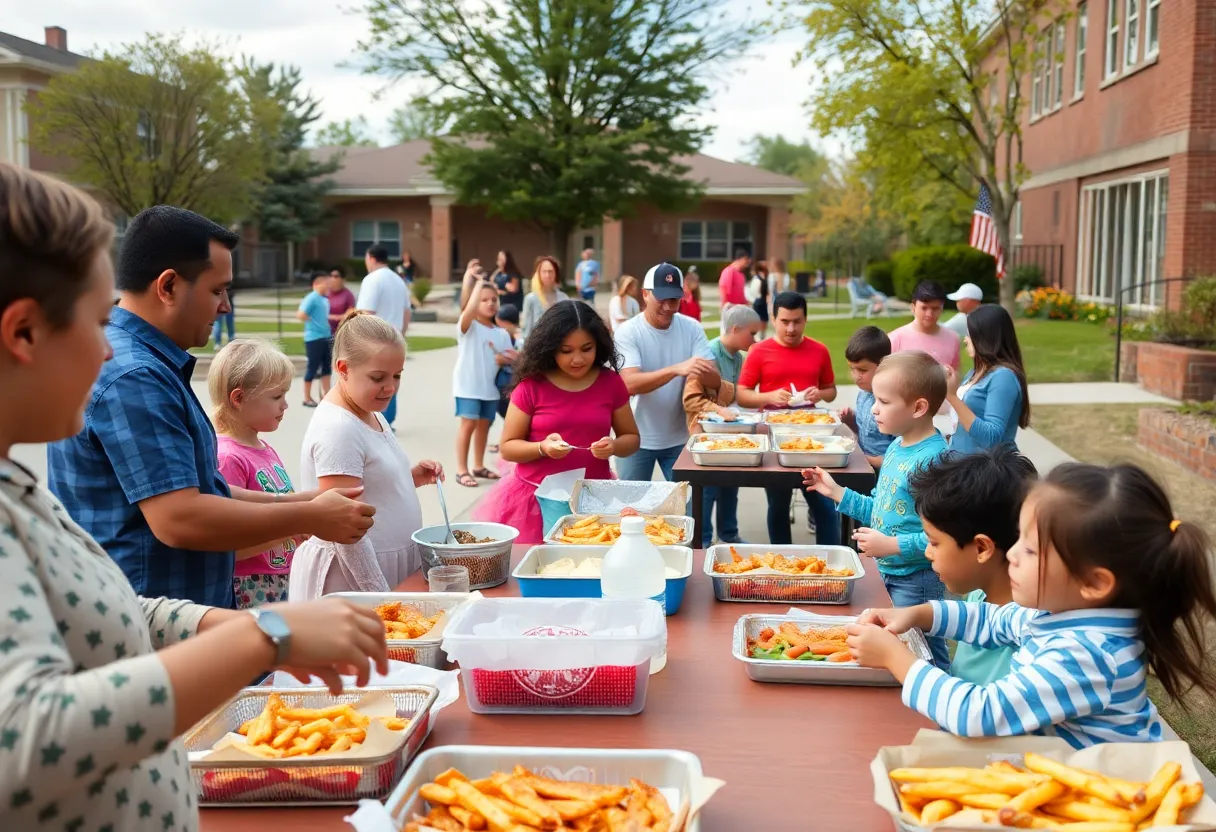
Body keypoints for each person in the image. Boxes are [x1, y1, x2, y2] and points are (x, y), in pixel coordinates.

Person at [0, 162, 390, 830]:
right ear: (24, 333)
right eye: (96, 323)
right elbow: (28, 737)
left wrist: (235, 628)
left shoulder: (20, 484)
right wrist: (267, 635)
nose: (105, 351)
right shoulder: (129, 375)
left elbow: (112, 607)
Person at [47, 205, 375, 610]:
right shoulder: (135, 376)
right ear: (167, 287)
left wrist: (301, 503)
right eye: (217, 290)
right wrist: (308, 519)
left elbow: (204, 489)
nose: (226, 307)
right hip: (153, 630)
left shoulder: (139, 362)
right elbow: (180, 517)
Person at [848, 463, 1216, 748]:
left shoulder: (1087, 652)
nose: (1013, 556)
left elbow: (980, 713)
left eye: (1030, 549)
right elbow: (988, 619)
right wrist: (918, 614)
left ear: (1093, 583)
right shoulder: (1060, 615)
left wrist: (896, 658)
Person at [802, 351, 951, 669]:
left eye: (883, 401)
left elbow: (947, 539)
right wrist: (836, 492)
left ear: (918, 407)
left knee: (925, 654)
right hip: (889, 573)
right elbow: (882, 510)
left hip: (917, 580)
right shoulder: (897, 446)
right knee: (898, 649)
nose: (873, 409)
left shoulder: (934, 461)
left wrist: (891, 545)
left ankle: (942, 710)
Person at [290, 311, 445, 599]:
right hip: (352, 580)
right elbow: (345, 529)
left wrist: (409, 477)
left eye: (397, 375)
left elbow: (368, 484)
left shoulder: (368, 409)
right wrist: (382, 597)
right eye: (378, 377)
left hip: (382, 568)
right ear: (343, 369)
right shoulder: (338, 428)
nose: (391, 387)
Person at [474, 302, 640, 543]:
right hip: (535, 502)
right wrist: (542, 447)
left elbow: (632, 439)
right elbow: (508, 447)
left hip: (593, 500)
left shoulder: (611, 383)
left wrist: (613, 446)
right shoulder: (531, 386)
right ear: (550, 348)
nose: (577, 359)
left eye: (586, 349)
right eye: (566, 350)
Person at [909, 446, 1038, 685]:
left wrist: (899, 661)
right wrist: (911, 615)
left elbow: (983, 711)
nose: (928, 552)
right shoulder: (977, 596)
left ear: (981, 548)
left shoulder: (1030, 634)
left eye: (934, 542)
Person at [737, 291, 838, 546]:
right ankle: (783, 563)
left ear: (805, 320)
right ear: (773, 319)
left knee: (824, 505)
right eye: (785, 321)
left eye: (797, 321)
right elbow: (742, 395)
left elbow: (831, 390)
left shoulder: (819, 350)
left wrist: (820, 393)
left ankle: (832, 562)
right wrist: (769, 396)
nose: (791, 328)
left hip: (813, 437)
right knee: (778, 505)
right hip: (774, 437)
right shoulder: (758, 351)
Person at [209, 339, 301, 608]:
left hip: (280, 580)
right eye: (276, 397)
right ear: (238, 399)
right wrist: (290, 530)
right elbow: (230, 549)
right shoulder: (227, 457)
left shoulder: (263, 447)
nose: (285, 405)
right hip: (251, 587)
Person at [615, 263, 720, 482]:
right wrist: (677, 369)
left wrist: (702, 371)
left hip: (681, 437)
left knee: (687, 509)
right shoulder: (628, 332)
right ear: (645, 295)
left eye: (673, 299)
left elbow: (716, 379)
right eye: (661, 298)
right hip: (635, 438)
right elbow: (629, 384)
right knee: (630, 509)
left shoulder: (691, 328)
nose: (668, 306)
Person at [682, 305, 762, 547]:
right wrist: (719, 410)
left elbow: (735, 397)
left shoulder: (738, 357)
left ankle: (728, 535)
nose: (755, 339)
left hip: (728, 434)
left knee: (730, 485)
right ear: (736, 329)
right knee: (707, 490)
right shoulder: (707, 354)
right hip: (706, 435)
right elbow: (691, 400)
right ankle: (703, 541)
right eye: (752, 333)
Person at [452, 282, 515, 488]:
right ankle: (462, 470)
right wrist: (476, 283)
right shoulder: (468, 326)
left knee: (483, 426)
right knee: (468, 424)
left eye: (494, 299)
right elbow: (468, 311)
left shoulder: (502, 333)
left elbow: (512, 358)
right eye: (483, 299)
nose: (490, 303)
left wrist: (505, 359)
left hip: (490, 388)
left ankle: (478, 466)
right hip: (468, 386)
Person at [947, 304, 1030, 453]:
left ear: (985, 336)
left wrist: (952, 396)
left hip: (985, 471)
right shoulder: (976, 371)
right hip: (961, 464)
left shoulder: (1003, 377)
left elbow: (990, 438)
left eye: (969, 333)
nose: (965, 339)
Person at [356, 244, 410, 429]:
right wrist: (400, 337)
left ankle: (376, 422)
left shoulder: (372, 280)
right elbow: (406, 313)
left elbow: (365, 313)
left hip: (375, 343)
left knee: (374, 382)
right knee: (391, 383)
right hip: (395, 341)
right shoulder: (399, 280)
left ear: (371, 258)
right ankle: (388, 422)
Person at [839, 326, 894, 470]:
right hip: (864, 467)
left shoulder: (893, 402)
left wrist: (866, 459)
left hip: (885, 474)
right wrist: (851, 422)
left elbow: (905, 452)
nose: (856, 376)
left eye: (862, 370)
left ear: (883, 364)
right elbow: (866, 434)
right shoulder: (863, 395)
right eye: (852, 369)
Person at [888, 280, 960, 368]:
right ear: (913, 308)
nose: (929, 314)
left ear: (942, 309)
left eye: (935, 308)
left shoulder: (952, 338)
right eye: (924, 308)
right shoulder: (894, 340)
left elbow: (955, 374)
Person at [298, 272, 333, 407]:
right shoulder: (311, 298)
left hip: (326, 336)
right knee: (312, 368)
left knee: (327, 367)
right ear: (317, 284)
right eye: (326, 283)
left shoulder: (324, 299)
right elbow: (301, 314)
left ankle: (327, 395)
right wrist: (314, 323)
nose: (329, 286)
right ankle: (307, 397)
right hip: (314, 338)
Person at [521, 255, 565, 340]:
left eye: (550, 271)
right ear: (538, 273)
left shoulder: (563, 298)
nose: (547, 275)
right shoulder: (531, 299)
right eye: (544, 271)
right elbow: (526, 329)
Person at [493, 304, 521, 421]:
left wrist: (516, 359)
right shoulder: (498, 339)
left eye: (500, 325)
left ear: (509, 323)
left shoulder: (520, 341)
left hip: (514, 385)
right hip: (501, 386)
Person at [717, 249, 751, 315]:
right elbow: (724, 290)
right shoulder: (729, 271)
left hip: (739, 309)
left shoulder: (741, 274)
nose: (747, 262)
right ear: (740, 259)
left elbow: (740, 293)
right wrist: (725, 306)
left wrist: (745, 303)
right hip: (730, 309)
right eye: (746, 259)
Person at [327, 267, 357, 336]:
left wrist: (330, 317)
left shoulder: (348, 295)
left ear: (343, 279)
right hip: (323, 333)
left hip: (341, 333)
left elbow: (350, 314)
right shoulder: (325, 293)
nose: (332, 279)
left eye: (336, 276)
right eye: (330, 276)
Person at [748, 260, 771, 337]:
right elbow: (754, 291)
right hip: (758, 301)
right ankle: (757, 336)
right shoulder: (757, 279)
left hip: (763, 301)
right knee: (759, 320)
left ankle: (762, 336)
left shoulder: (764, 277)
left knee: (764, 320)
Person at [212, 281, 235, 348]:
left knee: (219, 324)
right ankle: (230, 339)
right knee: (227, 324)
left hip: (219, 306)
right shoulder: (228, 282)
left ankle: (218, 343)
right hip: (226, 306)